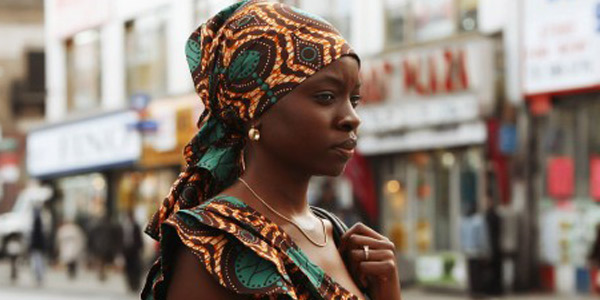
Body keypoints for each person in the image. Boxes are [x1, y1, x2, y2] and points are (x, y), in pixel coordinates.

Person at [141, 1, 402, 299]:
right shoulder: (215, 243)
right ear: (256, 109)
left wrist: (387, 292)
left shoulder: (341, 237)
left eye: (353, 100)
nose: (352, 118)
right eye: (326, 96)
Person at [121, 210, 143, 292]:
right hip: (126, 250)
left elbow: (139, 238)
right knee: (128, 268)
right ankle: (130, 284)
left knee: (135, 268)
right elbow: (121, 238)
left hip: (135, 250)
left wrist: (140, 248)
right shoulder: (123, 226)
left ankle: (135, 284)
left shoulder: (136, 226)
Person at [30, 206, 47, 286]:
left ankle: (39, 277)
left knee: (37, 263)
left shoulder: (37, 222)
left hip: (37, 246)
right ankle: (39, 277)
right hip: (38, 246)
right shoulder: (39, 222)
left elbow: (36, 237)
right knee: (38, 262)